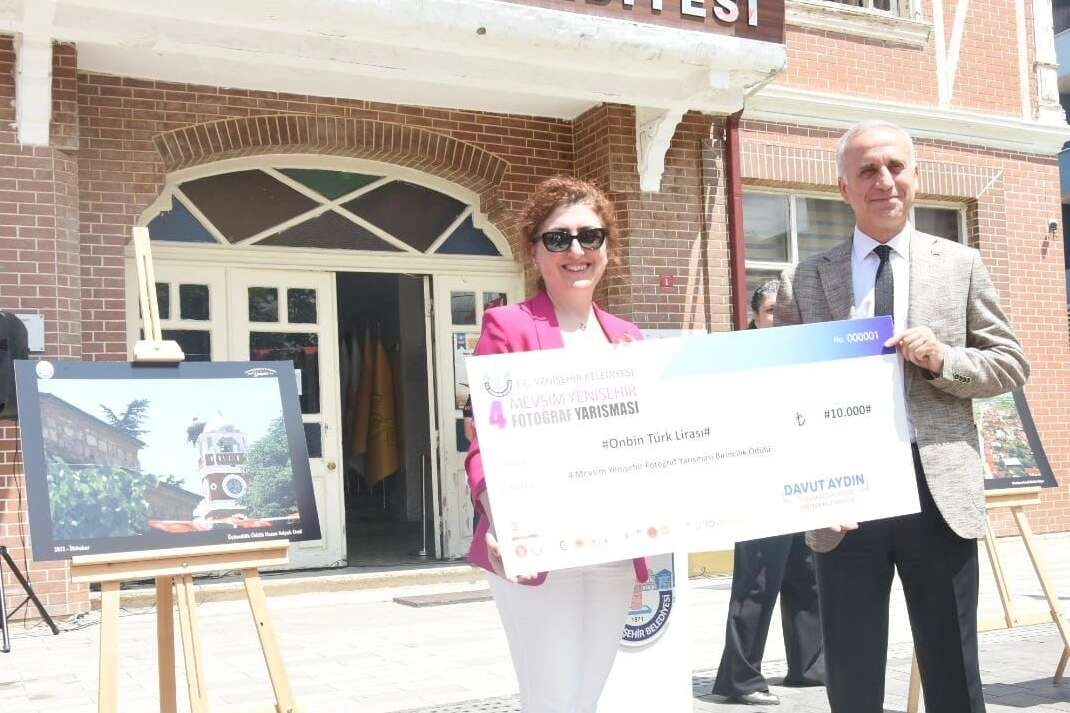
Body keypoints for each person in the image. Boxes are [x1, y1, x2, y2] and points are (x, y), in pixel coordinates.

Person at [776, 120, 1029, 713]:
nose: (884, 180)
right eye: (867, 170)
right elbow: (783, 394)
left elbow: (1011, 363)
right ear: (844, 188)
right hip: (847, 498)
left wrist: (944, 359)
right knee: (851, 672)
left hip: (937, 491)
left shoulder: (961, 264)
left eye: (895, 166)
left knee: (953, 672)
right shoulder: (804, 278)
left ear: (916, 176)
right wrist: (808, 491)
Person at [465, 176, 649, 713]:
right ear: (534, 251)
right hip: (537, 542)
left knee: (586, 697)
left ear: (607, 248)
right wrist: (499, 517)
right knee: (550, 700)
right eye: (557, 238)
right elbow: (483, 440)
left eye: (590, 236)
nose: (576, 250)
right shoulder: (508, 327)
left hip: (614, 544)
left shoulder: (630, 338)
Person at [711, 279, 825, 707]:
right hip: (758, 484)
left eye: (785, 311)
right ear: (756, 317)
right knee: (757, 582)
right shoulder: (737, 360)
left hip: (802, 481)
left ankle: (809, 666)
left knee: (805, 575)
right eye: (772, 311)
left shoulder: (802, 356)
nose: (779, 318)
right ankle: (738, 679)